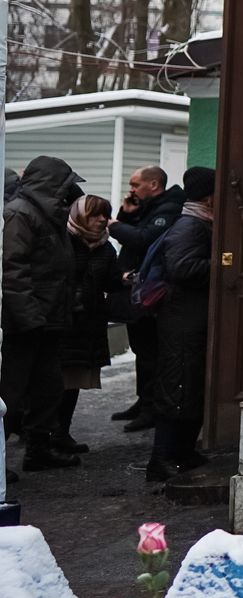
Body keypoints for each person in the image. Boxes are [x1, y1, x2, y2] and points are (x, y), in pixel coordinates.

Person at [2, 156, 84, 472]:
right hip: (25, 324)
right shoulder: (21, 214)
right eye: (63, 185)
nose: (68, 192)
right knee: (11, 394)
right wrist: (30, 318)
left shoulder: (47, 213)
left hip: (46, 319)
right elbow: (12, 271)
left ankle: (39, 451)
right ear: (51, 184)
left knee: (48, 390)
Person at [147, 167, 215, 483]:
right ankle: (162, 458)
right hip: (181, 320)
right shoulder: (191, 226)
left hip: (188, 319)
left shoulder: (199, 223)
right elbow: (182, 267)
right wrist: (223, 263)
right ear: (209, 196)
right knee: (177, 386)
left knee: (188, 386)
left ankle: (183, 452)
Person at [109, 165, 184, 432]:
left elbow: (143, 240)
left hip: (152, 293)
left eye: (135, 184)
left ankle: (152, 407)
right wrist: (126, 216)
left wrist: (114, 225)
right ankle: (143, 402)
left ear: (153, 185)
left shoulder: (168, 209)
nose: (131, 190)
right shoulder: (149, 207)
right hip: (138, 291)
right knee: (142, 351)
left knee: (152, 352)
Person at [57, 195, 120, 456]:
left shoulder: (106, 248)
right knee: (54, 382)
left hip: (90, 325)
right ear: (80, 215)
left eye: (105, 214)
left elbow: (111, 282)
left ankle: (61, 433)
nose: (102, 220)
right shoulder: (63, 241)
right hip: (63, 324)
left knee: (73, 382)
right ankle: (41, 436)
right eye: (95, 214)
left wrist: (124, 279)